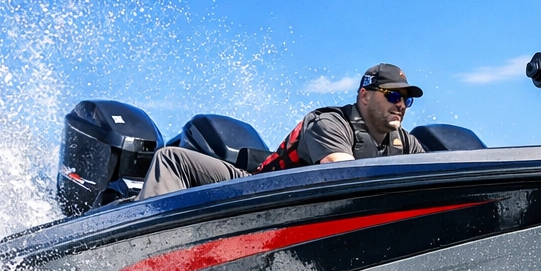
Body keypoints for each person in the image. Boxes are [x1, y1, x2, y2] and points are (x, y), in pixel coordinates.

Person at [138, 63, 426, 200]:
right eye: (392, 95)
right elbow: (344, 176)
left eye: (407, 99)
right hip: (254, 193)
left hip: (302, 214)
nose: (401, 104)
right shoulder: (329, 122)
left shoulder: (406, 143)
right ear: (364, 96)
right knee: (172, 158)